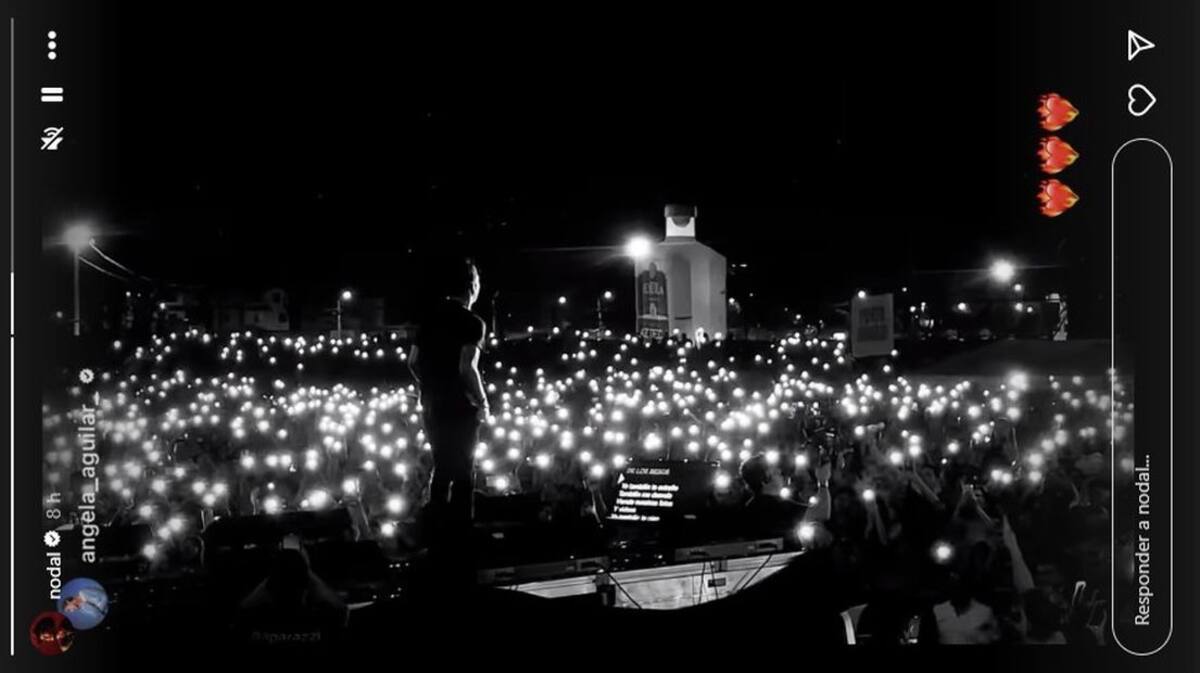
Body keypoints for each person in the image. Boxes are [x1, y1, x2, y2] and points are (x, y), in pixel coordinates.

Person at [409, 257, 490, 551]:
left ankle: (435, 534)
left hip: (431, 404)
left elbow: (413, 362)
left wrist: (428, 387)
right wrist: (482, 402)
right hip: (461, 406)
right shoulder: (472, 322)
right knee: (464, 470)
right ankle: (460, 535)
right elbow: (466, 367)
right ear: (472, 285)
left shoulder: (428, 319)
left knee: (442, 466)